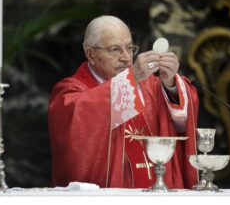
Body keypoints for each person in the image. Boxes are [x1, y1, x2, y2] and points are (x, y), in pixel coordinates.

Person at [48, 15, 199, 189]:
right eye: (115, 50)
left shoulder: (151, 86)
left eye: (129, 48)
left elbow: (182, 120)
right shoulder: (69, 92)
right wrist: (131, 78)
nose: (127, 58)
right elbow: (78, 121)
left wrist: (170, 83)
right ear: (90, 54)